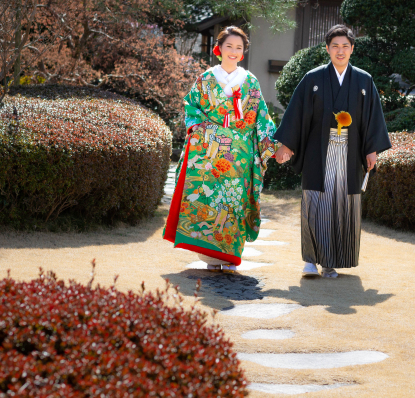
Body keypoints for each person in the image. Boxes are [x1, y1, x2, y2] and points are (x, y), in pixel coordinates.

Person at [274, 25, 391, 278]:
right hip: (318, 151)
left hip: (350, 153)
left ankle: (330, 261)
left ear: (352, 49)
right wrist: (287, 144)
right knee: (314, 203)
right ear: (327, 49)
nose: (340, 51)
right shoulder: (313, 78)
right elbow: (297, 113)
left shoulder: (364, 80)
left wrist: (372, 150)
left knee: (342, 206)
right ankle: (310, 260)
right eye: (335, 46)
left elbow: (372, 118)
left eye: (345, 46)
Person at [164, 26, 280, 272]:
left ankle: (231, 256)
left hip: (240, 154)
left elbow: (261, 117)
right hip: (209, 150)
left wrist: (272, 144)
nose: (234, 51)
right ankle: (210, 257)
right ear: (219, 48)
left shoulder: (250, 81)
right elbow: (191, 106)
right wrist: (198, 127)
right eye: (229, 46)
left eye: (239, 47)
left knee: (234, 201)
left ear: (243, 51)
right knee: (208, 199)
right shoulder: (206, 78)